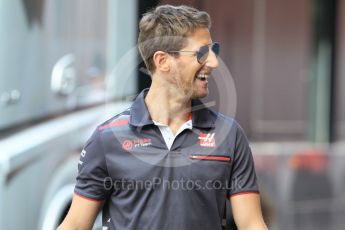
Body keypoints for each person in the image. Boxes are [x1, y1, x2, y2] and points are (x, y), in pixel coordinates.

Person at [58, 4, 267, 230]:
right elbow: (76, 225)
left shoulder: (229, 135)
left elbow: (251, 224)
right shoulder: (108, 138)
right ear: (163, 61)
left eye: (213, 50)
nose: (214, 63)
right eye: (202, 53)